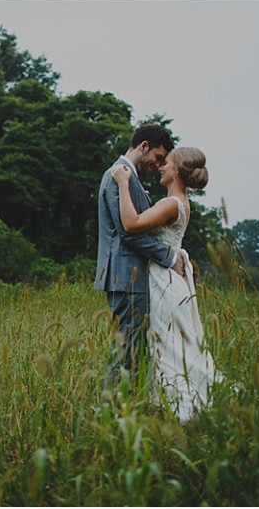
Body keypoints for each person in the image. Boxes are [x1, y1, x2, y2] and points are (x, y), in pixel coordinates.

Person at [111, 146, 221, 422]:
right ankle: (170, 399)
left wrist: (123, 184)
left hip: (166, 282)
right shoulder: (179, 202)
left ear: (178, 172)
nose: (161, 167)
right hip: (167, 279)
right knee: (172, 342)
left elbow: (131, 223)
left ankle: (180, 404)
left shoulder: (172, 204)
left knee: (169, 342)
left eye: (167, 163)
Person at [95, 124, 185, 384]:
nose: (158, 165)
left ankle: (125, 403)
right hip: (124, 276)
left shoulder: (128, 178)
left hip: (129, 276)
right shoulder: (118, 175)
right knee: (126, 348)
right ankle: (112, 408)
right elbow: (129, 232)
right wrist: (169, 256)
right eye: (158, 157)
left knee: (132, 347)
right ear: (143, 146)